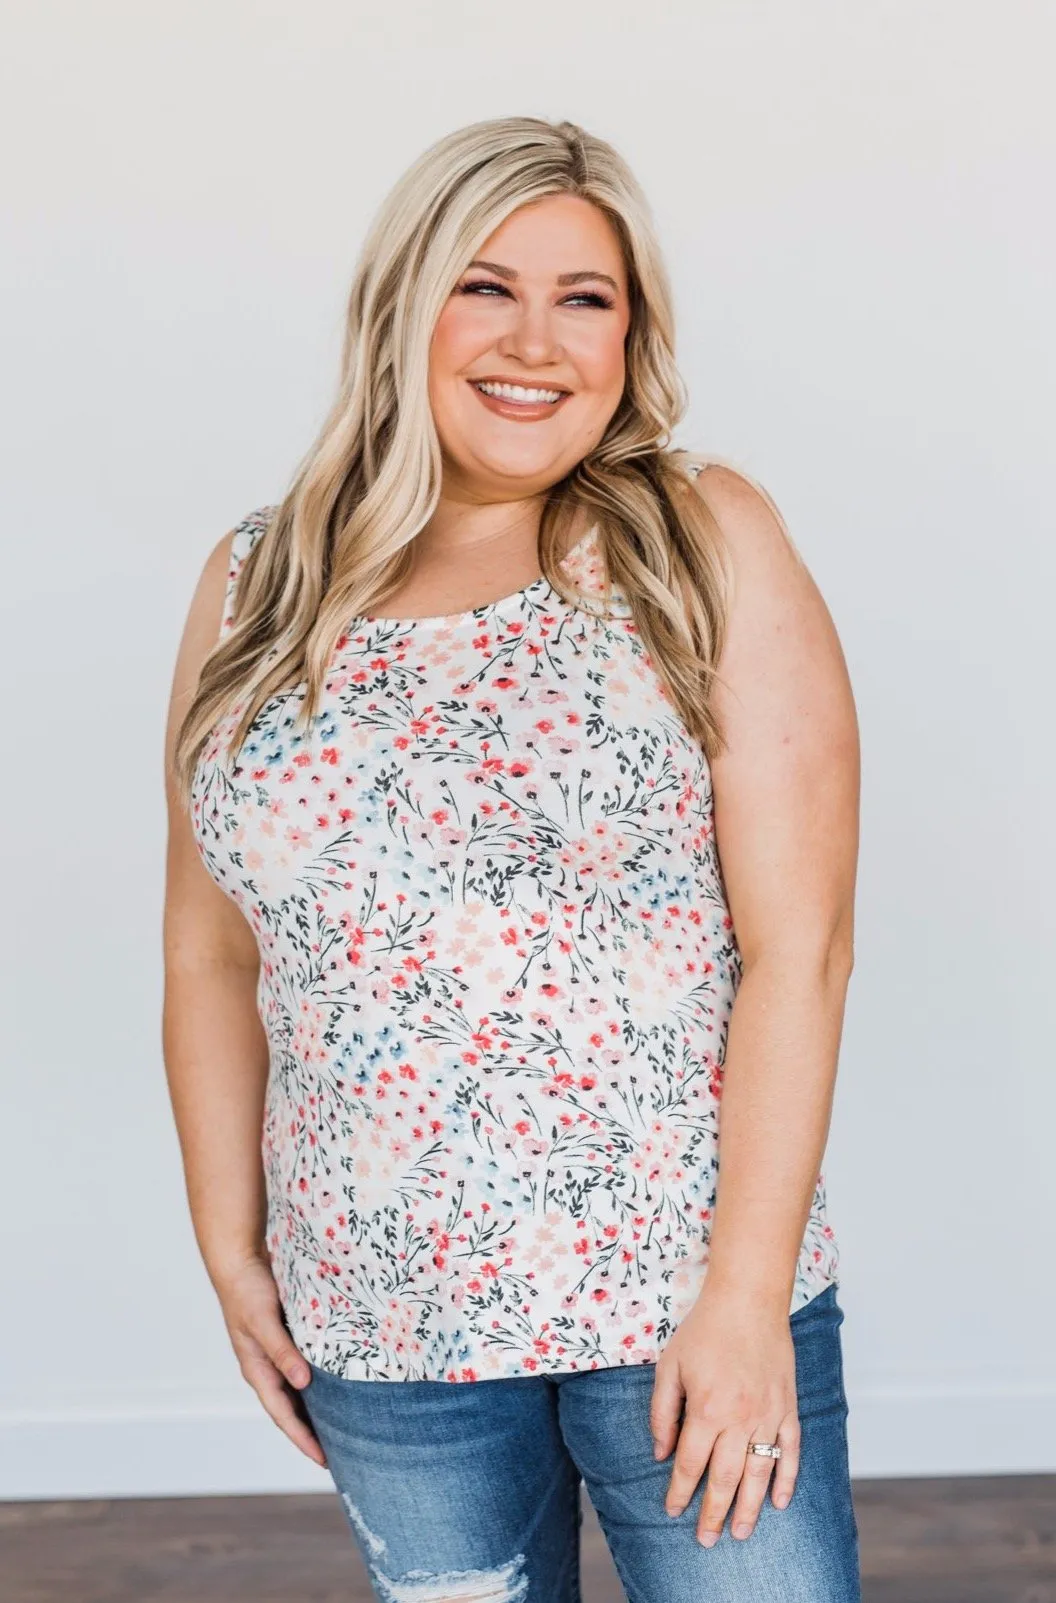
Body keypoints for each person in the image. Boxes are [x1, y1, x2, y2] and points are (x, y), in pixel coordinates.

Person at [163, 115, 861, 1603]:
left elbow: (801, 945)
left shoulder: (696, 538)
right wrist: (231, 1245)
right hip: (385, 1324)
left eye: (586, 296)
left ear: (631, 332)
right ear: (403, 307)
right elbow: (212, 947)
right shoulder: (253, 582)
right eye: (486, 286)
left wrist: (743, 1301)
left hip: (675, 1304)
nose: (535, 339)